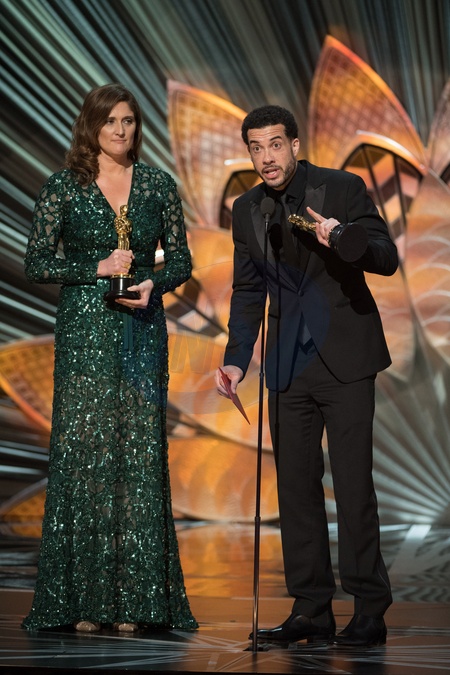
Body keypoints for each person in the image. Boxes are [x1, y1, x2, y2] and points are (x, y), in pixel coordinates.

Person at [215, 105, 397, 647]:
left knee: (353, 486)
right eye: (256, 148)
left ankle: (369, 609)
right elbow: (248, 289)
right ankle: (311, 609)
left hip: (345, 358)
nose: (266, 157)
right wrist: (237, 357)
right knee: (295, 488)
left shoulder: (341, 188)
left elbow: (385, 257)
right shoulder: (247, 209)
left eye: (275, 144)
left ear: (295, 144)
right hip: (287, 365)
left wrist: (341, 237)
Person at [23, 83, 197, 634]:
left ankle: (138, 604)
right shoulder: (63, 187)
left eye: (129, 121)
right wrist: (94, 267)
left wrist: (153, 283)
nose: (121, 130)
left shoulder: (157, 185)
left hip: (141, 330)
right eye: (110, 121)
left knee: (139, 456)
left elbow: (182, 261)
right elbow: (36, 263)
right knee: (86, 458)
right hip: (85, 334)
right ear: (91, 126)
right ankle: (83, 603)